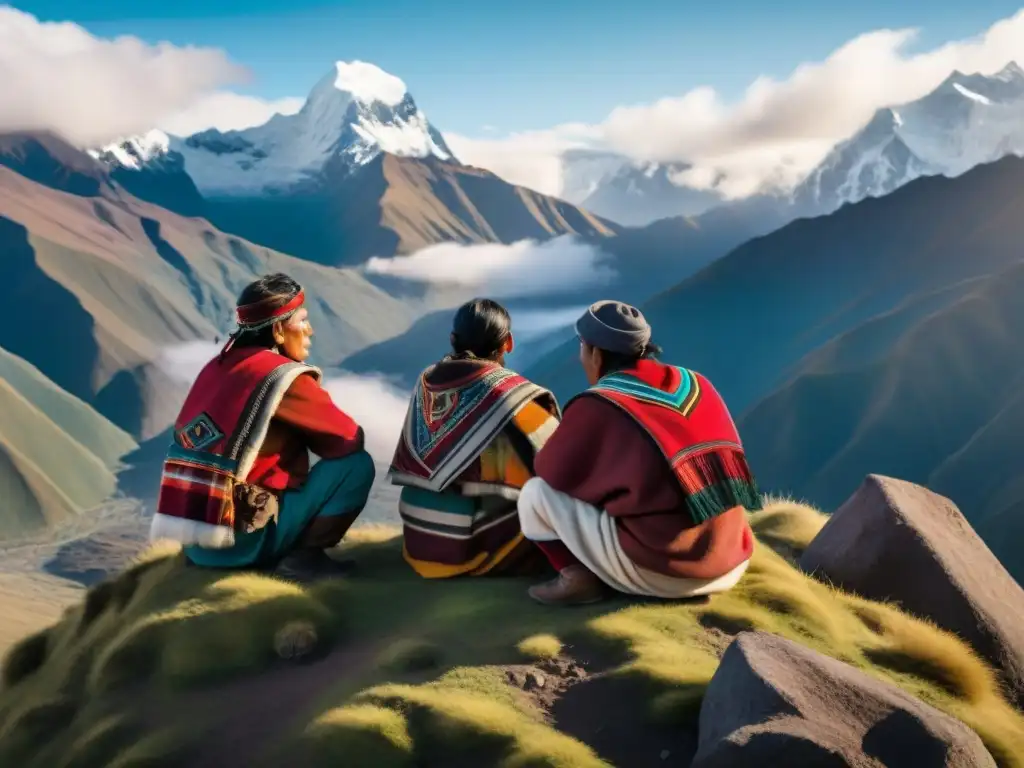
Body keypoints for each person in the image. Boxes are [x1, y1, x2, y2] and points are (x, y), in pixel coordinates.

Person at [517, 300, 759, 605]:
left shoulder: (600, 403)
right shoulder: (698, 383)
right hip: (731, 560)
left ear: (595, 352)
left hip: (666, 574)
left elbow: (551, 470)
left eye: (582, 345)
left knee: (535, 494)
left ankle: (577, 579)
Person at [150, 273, 375, 582]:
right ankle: (303, 561)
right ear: (280, 330)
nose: (310, 330)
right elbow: (347, 440)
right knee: (356, 466)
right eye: (303, 321)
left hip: (196, 541)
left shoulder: (217, 367)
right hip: (241, 542)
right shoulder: (281, 378)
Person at [387, 299, 561, 578]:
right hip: (464, 551)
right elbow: (559, 457)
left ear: (453, 340)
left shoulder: (427, 380)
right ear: (509, 343)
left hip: (418, 541)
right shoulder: (510, 393)